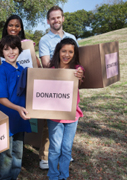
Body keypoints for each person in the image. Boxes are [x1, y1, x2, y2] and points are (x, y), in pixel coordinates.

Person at [38, 6, 81, 169]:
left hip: (70, 85)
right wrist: (63, 65)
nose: (56, 20)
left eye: (58, 17)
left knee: (68, 118)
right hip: (53, 82)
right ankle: (45, 156)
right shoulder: (45, 40)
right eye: (52, 18)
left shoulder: (72, 37)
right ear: (48, 21)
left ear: (63, 18)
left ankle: (64, 154)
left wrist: (75, 72)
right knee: (51, 121)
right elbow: (46, 63)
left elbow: (77, 60)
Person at [0, 35, 32, 180]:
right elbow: (2, 99)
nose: (11, 52)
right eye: (6, 49)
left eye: (14, 48)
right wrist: (17, 108)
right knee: (6, 152)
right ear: (2, 52)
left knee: (18, 150)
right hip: (7, 118)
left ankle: (12, 178)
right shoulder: (1, 71)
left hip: (21, 118)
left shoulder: (23, 70)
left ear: (19, 50)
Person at [47, 37, 84, 180]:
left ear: (74, 53)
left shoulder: (77, 69)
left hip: (71, 115)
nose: (67, 54)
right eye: (64, 51)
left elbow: (80, 82)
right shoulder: (51, 70)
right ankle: (53, 178)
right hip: (55, 116)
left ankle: (63, 176)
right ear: (58, 52)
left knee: (66, 149)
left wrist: (80, 76)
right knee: (55, 148)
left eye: (70, 51)